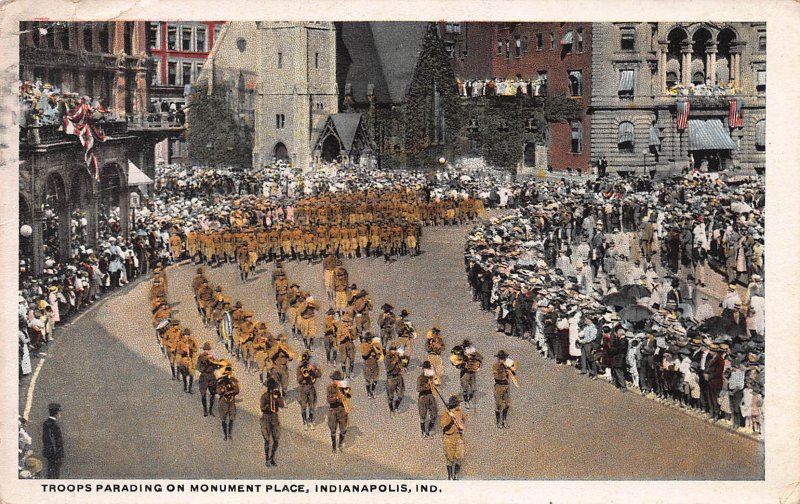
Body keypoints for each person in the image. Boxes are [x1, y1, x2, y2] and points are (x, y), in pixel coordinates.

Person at [259, 373, 285, 467]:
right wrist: (270, 404)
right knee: (267, 440)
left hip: (274, 418)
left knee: (276, 440)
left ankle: (272, 458)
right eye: (271, 388)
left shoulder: (277, 395)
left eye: (273, 388)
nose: (272, 389)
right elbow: (262, 408)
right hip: (266, 418)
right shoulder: (264, 396)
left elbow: (282, 405)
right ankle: (267, 459)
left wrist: (278, 398)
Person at [440, 395, 466, 480]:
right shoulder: (446, 413)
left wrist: (462, 427)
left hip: (459, 436)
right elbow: (442, 425)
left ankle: (456, 475)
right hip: (448, 437)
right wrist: (450, 419)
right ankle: (450, 477)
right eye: (458, 403)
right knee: (450, 458)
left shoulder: (460, 412)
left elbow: (464, 421)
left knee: (460, 456)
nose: (459, 405)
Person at [326, 370, 352, 453]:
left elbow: (349, 396)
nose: (336, 382)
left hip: (342, 411)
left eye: (337, 380)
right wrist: (337, 398)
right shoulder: (330, 388)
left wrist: (347, 391)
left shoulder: (343, 387)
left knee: (343, 429)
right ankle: (334, 447)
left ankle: (340, 444)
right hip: (333, 411)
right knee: (333, 430)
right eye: (334, 380)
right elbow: (329, 400)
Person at [296, 351, 322, 430]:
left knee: (312, 405)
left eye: (307, 360)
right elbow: (298, 380)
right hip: (302, 388)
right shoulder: (299, 368)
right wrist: (303, 375)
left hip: (311, 387)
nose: (305, 362)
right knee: (303, 406)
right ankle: (304, 422)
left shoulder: (312, 366)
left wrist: (313, 369)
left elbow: (319, 375)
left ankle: (310, 420)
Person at [492, 350, 517, 429]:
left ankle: (504, 420)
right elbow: (497, 377)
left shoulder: (507, 365)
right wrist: (505, 369)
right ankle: (498, 421)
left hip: (506, 386)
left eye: (504, 358)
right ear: (498, 358)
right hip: (499, 386)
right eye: (501, 358)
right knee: (499, 405)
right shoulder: (496, 366)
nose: (502, 360)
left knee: (507, 405)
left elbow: (514, 371)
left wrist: (509, 368)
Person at [217, 366, 241, 440]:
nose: (228, 374)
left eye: (230, 373)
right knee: (223, 418)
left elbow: (237, 390)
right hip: (223, 401)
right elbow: (218, 391)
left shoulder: (233, 381)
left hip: (231, 401)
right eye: (227, 373)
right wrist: (223, 390)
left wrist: (232, 389)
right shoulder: (221, 381)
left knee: (231, 418)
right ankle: (225, 434)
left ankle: (230, 433)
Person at [385, 342, 408, 416]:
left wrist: (403, 365)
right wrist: (395, 360)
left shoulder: (397, 356)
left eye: (395, 350)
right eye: (393, 350)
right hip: (391, 378)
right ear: (390, 350)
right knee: (391, 396)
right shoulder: (387, 358)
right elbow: (388, 369)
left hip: (399, 376)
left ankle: (396, 407)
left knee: (401, 394)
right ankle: (391, 410)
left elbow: (401, 364)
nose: (394, 352)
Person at [417, 361, 439, 438]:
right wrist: (426, 387)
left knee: (434, 414)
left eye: (428, 368)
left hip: (430, 396)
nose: (427, 370)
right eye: (425, 368)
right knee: (423, 416)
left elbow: (437, 383)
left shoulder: (431, 377)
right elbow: (418, 389)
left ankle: (429, 430)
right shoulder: (420, 378)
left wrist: (434, 377)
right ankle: (423, 432)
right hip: (423, 397)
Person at [42, 402, 64, 479]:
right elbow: (53, 441)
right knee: (54, 473)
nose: (60, 414)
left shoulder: (46, 423)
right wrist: (57, 455)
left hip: (49, 453)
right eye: (59, 412)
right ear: (56, 413)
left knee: (51, 471)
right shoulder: (53, 425)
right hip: (54, 454)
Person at [195, 342, 217, 417]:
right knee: (203, 394)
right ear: (203, 350)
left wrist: (213, 361)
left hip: (211, 376)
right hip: (204, 377)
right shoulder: (201, 357)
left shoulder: (212, 357)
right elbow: (198, 367)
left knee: (213, 394)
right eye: (206, 350)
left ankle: (210, 410)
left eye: (208, 350)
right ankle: (205, 410)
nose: (207, 351)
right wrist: (204, 367)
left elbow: (215, 366)